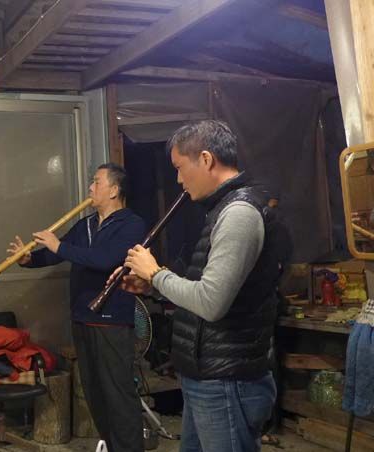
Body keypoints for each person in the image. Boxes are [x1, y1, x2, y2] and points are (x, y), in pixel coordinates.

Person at [110, 120, 289, 452]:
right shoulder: (221, 210)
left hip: (227, 382)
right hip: (207, 376)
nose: (178, 180)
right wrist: (151, 286)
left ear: (206, 159)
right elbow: (204, 290)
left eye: (180, 168)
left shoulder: (239, 214)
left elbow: (211, 303)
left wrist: (156, 274)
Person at [7, 163, 146, 452]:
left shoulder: (132, 224)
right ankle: (112, 446)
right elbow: (56, 254)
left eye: (96, 182)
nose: (90, 188)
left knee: (118, 394)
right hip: (82, 317)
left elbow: (105, 259)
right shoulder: (86, 225)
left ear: (114, 190)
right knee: (95, 394)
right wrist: (29, 259)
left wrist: (58, 246)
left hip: (112, 321)